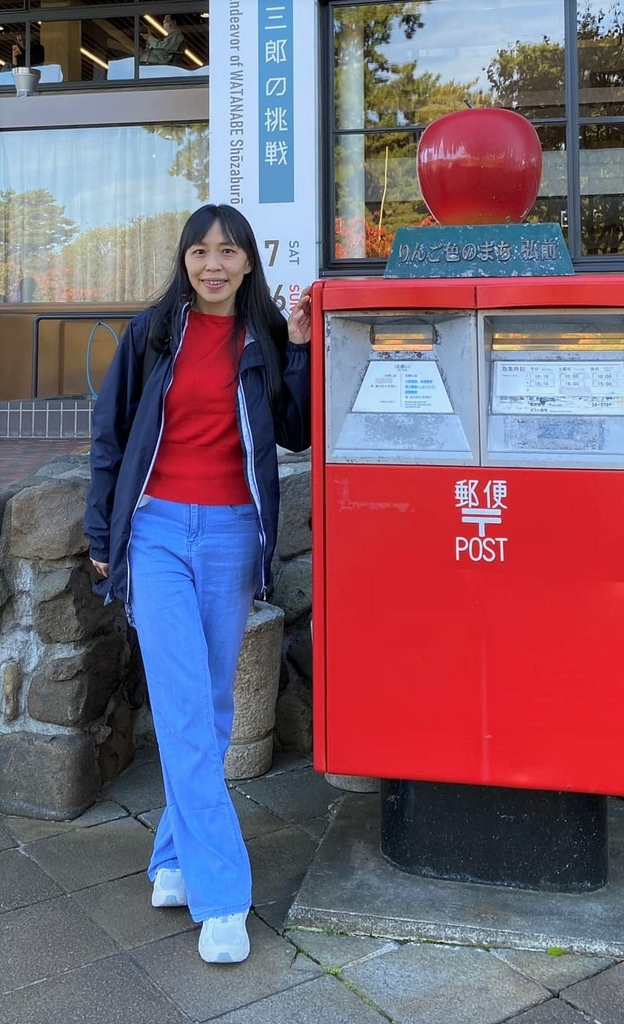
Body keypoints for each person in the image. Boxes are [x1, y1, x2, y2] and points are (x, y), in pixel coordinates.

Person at [84, 204, 311, 964]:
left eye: (228, 251)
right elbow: (110, 436)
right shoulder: (151, 333)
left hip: (230, 536)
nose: (212, 263)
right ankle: (223, 896)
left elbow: (295, 431)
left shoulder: (265, 336)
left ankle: (173, 859)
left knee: (210, 709)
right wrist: (100, 536)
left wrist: (305, 350)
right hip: (154, 533)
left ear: (249, 261)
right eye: (200, 251)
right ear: (184, 260)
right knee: (184, 710)